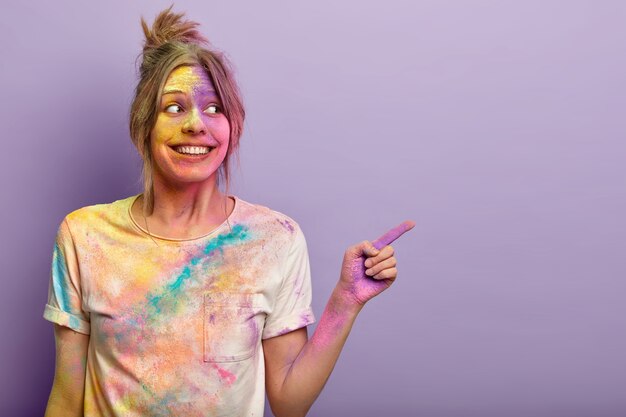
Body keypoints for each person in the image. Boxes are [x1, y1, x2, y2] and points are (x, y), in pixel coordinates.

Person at [43, 6, 414, 417]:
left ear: (232, 127)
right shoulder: (85, 237)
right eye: (174, 107)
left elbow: (289, 403)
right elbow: (66, 397)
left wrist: (345, 301)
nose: (196, 125)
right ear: (142, 125)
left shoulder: (274, 239)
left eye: (214, 108)